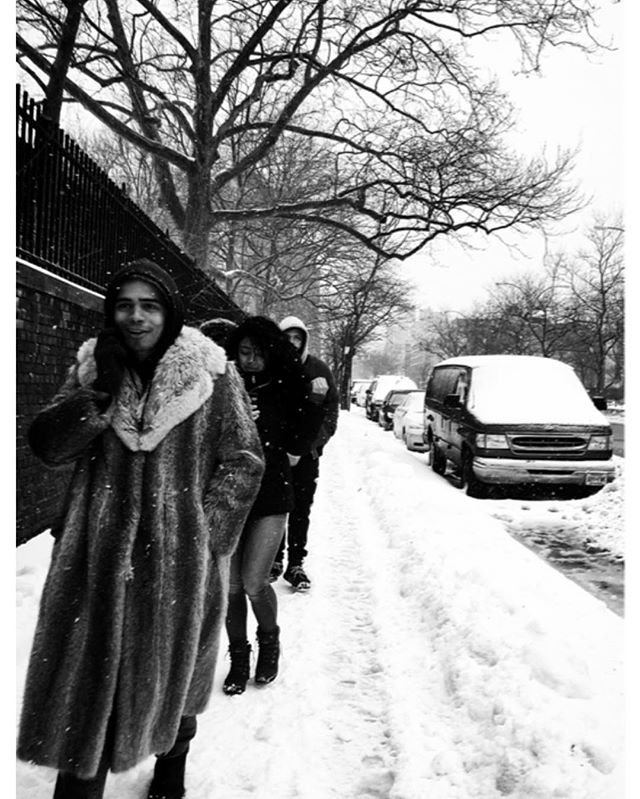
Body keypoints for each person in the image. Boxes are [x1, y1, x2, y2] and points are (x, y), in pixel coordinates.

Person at [17, 259, 265, 799]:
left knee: (172, 681)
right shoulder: (91, 369)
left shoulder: (212, 376)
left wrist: (205, 535)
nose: (135, 316)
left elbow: (244, 459)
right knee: (87, 694)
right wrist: (97, 397)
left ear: (169, 313)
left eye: (148, 305)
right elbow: (50, 448)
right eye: (124, 304)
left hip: (179, 561)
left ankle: (173, 762)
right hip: (96, 560)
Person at [222, 316, 327, 695]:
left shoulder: (286, 388)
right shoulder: (224, 385)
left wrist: (312, 403)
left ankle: (270, 642)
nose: (249, 360)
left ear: (271, 354)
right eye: (243, 352)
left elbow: (301, 439)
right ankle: (238, 656)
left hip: (271, 495)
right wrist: (233, 420)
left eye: (257, 353)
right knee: (230, 587)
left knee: (253, 581)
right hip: (230, 497)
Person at [272, 315, 339, 590]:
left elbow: (329, 415)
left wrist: (308, 447)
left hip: (307, 456)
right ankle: (274, 559)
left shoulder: (318, 369)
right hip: (275, 454)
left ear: (305, 340)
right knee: (275, 508)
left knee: (300, 509)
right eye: (287, 337)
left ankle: (296, 563)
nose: (293, 343)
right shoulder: (272, 368)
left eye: (298, 338)